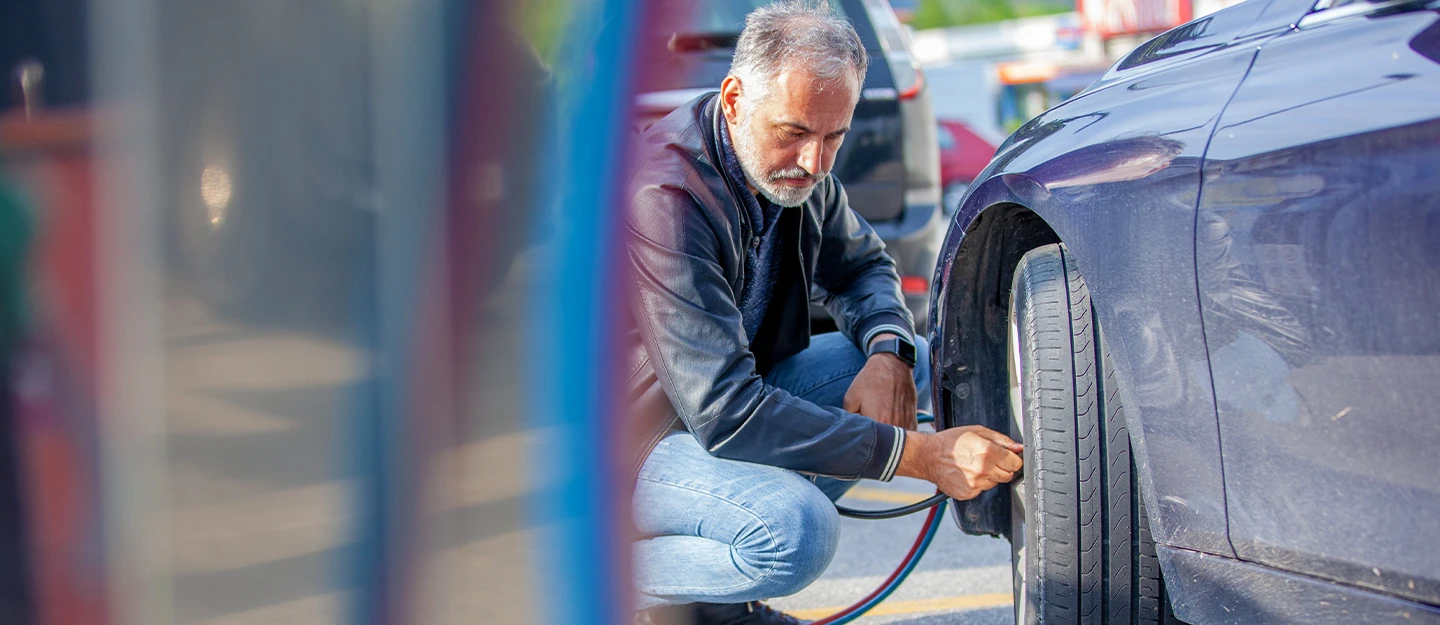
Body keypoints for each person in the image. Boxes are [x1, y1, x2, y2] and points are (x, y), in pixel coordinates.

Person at [623, 2, 1023, 623]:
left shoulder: (792, 174)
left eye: (834, 136)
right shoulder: (664, 197)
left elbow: (863, 267)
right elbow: (727, 413)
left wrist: (889, 349)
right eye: (794, 132)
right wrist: (920, 456)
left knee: (903, 368)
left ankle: (712, 608)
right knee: (794, 533)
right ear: (733, 100)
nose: (816, 162)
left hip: (717, 409)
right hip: (632, 443)